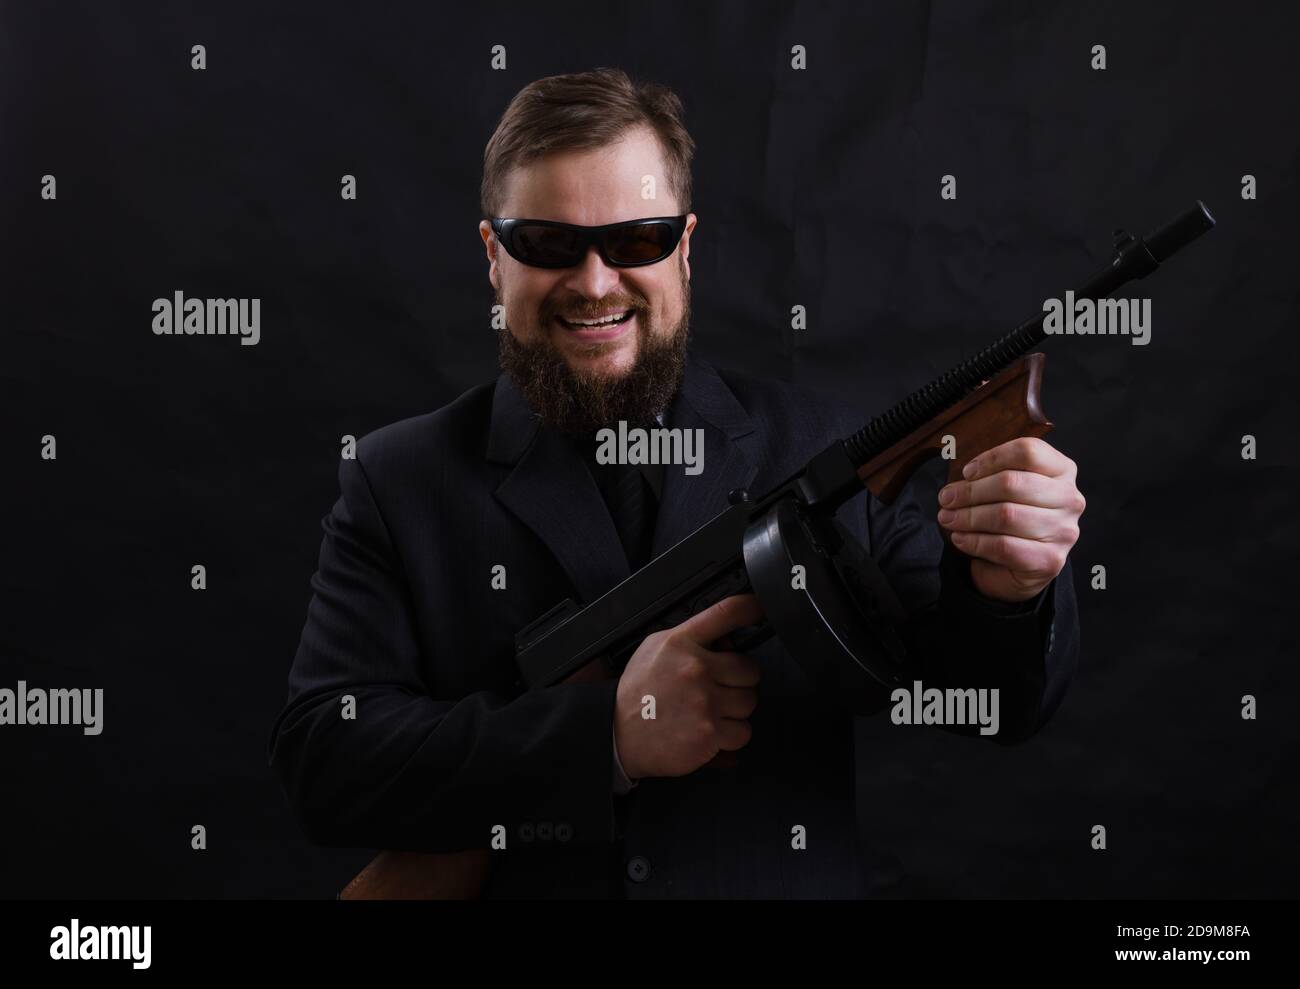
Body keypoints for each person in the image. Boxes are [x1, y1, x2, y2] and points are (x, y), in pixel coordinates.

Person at [268, 67, 1083, 899]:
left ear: (685, 248)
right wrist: (606, 737)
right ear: (493, 256)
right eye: (548, 244)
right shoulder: (399, 479)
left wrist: (1009, 587)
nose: (593, 282)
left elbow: (993, 707)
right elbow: (326, 763)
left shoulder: (820, 447)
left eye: (636, 241)